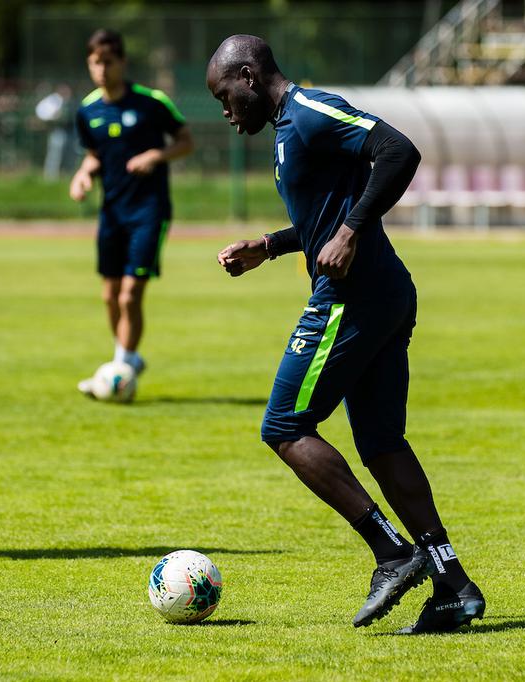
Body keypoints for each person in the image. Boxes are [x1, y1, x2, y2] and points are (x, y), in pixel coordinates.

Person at [207, 35, 485, 634]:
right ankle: (454, 586)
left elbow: (397, 150)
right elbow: (322, 218)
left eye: (224, 95)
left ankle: (391, 552)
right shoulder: (287, 131)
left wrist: (355, 229)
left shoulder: (309, 113)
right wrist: (272, 246)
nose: (224, 111)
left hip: (354, 297)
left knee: (283, 425)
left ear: (249, 76)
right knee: (382, 442)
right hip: (382, 294)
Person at [71, 29, 194, 394]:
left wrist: (157, 155)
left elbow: (186, 141)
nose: (102, 69)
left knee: (129, 295)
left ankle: (120, 369)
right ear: (89, 64)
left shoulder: (151, 103)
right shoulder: (87, 110)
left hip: (149, 211)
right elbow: (94, 153)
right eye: (96, 62)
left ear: (122, 62)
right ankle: (125, 360)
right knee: (109, 296)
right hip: (112, 213)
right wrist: (83, 174)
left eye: (109, 61)